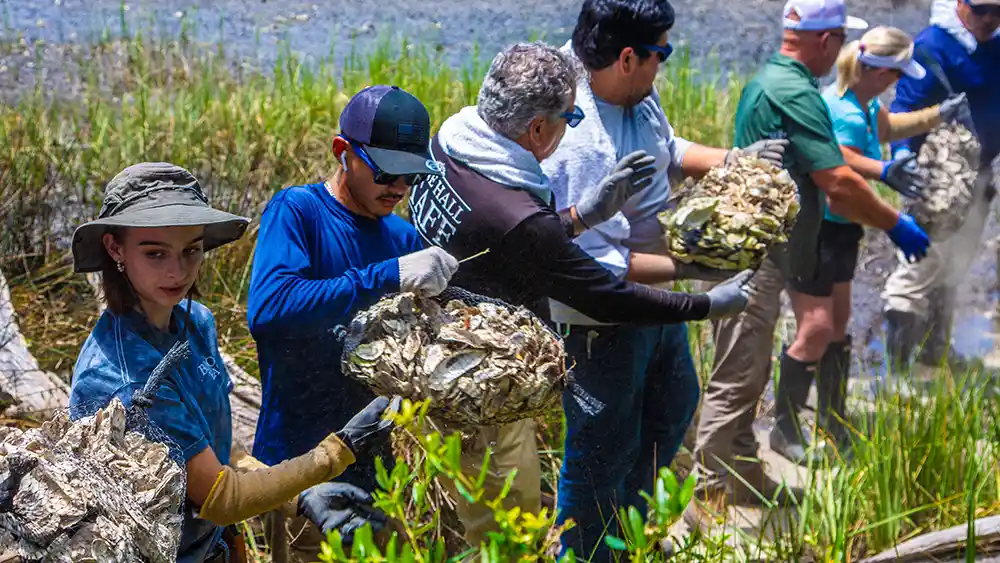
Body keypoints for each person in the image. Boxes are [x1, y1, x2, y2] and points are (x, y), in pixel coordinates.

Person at [407, 40, 753, 552]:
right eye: (570, 118)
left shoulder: (449, 145)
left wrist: (583, 215)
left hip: (444, 347)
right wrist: (705, 303)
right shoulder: (517, 215)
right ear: (538, 129)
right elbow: (605, 297)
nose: (574, 128)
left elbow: (508, 246)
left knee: (494, 506)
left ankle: (621, 537)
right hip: (479, 382)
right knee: (507, 527)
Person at [535, 1, 787, 558]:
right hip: (602, 316)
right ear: (628, 56)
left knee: (674, 402)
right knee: (602, 445)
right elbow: (599, 268)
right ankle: (585, 550)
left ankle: (630, 530)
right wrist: (696, 270)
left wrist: (735, 161)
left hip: (652, 296)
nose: (662, 68)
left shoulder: (632, 91)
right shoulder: (575, 142)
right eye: (660, 56)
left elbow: (667, 149)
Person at [68, 162, 398, 563]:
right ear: (114, 248)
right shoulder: (125, 381)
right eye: (154, 253)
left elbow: (222, 451)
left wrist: (299, 496)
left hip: (214, 546)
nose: (177, 272)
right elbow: (219, 497)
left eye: (191, 250)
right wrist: (335, 453)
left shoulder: (195, 322)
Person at [686, 0, 934, 531]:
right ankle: (709, 502)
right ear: (825, 40)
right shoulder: (796, 90)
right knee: (735, 378)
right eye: (839, 38)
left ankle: (747, 473)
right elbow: (837, 179)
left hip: (765, 248)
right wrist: (895, 223)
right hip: (756, 255)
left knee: (749, 373)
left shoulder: (772, 80)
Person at [245, 85, 458, 561]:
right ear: (343, 152)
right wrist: (388, 274)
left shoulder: (403, 237)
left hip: (383, 471)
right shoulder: (298, 212)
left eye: (412, 177)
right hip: (301, 473)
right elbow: (269, 310)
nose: (399, 189)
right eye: (387, 172)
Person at [769, 26, 972, 465]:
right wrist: (884, 170)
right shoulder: (840, 109)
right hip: (818, 228)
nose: (896, 83)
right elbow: (840, 160)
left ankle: (833, 417)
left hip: (843, 229)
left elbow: (889, 125)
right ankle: (784, 429)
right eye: (893, 74)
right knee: (817, 328)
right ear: (873, 69)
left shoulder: (863, 102)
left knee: (840, 323)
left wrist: (939, 115)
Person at [881, 0, 1000, 375]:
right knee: (918, 270)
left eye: (999, 11)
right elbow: (902, 110)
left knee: (955, 268)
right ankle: (898, 375)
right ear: (961, 4)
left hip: (978, 176)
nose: (990, 19)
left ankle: (935, 356)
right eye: (982, 10)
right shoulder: (933, 46)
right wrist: (903, 162)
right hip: (936, 181)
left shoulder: (994, 44)